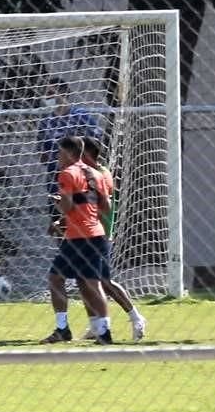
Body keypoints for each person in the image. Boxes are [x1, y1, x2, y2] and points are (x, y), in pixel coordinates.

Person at [40, 136, 114, 345]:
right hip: (96, 234)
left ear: (67, 153)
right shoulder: (95, 174)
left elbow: (67, 207)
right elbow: (106, 207)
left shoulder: (67, 174)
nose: (57, 157)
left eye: (59, 153)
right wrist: (84, 204)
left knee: (55, 279)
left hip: (77, 237)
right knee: (93, 283)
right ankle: (105, 332)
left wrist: (58, 204)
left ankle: (62, 329)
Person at [78, 137, 147, 341]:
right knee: (83, 280)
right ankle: (95, 325)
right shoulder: (98, 172)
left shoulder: (98, 175)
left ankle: (136, 318)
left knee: (103, 282)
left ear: (87, 155)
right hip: (88, 232)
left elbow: (98, 206)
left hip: (98, 234)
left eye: (79, 154)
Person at [36, 81, 103, 219]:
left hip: (81, 179)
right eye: (45, 94)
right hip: (56, 180)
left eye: (51, 93)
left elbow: (97, 143)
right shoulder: (46, 121)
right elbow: (42, 153)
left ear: (64, 93)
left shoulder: (80, 115)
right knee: (59, 222)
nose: (47, 98)